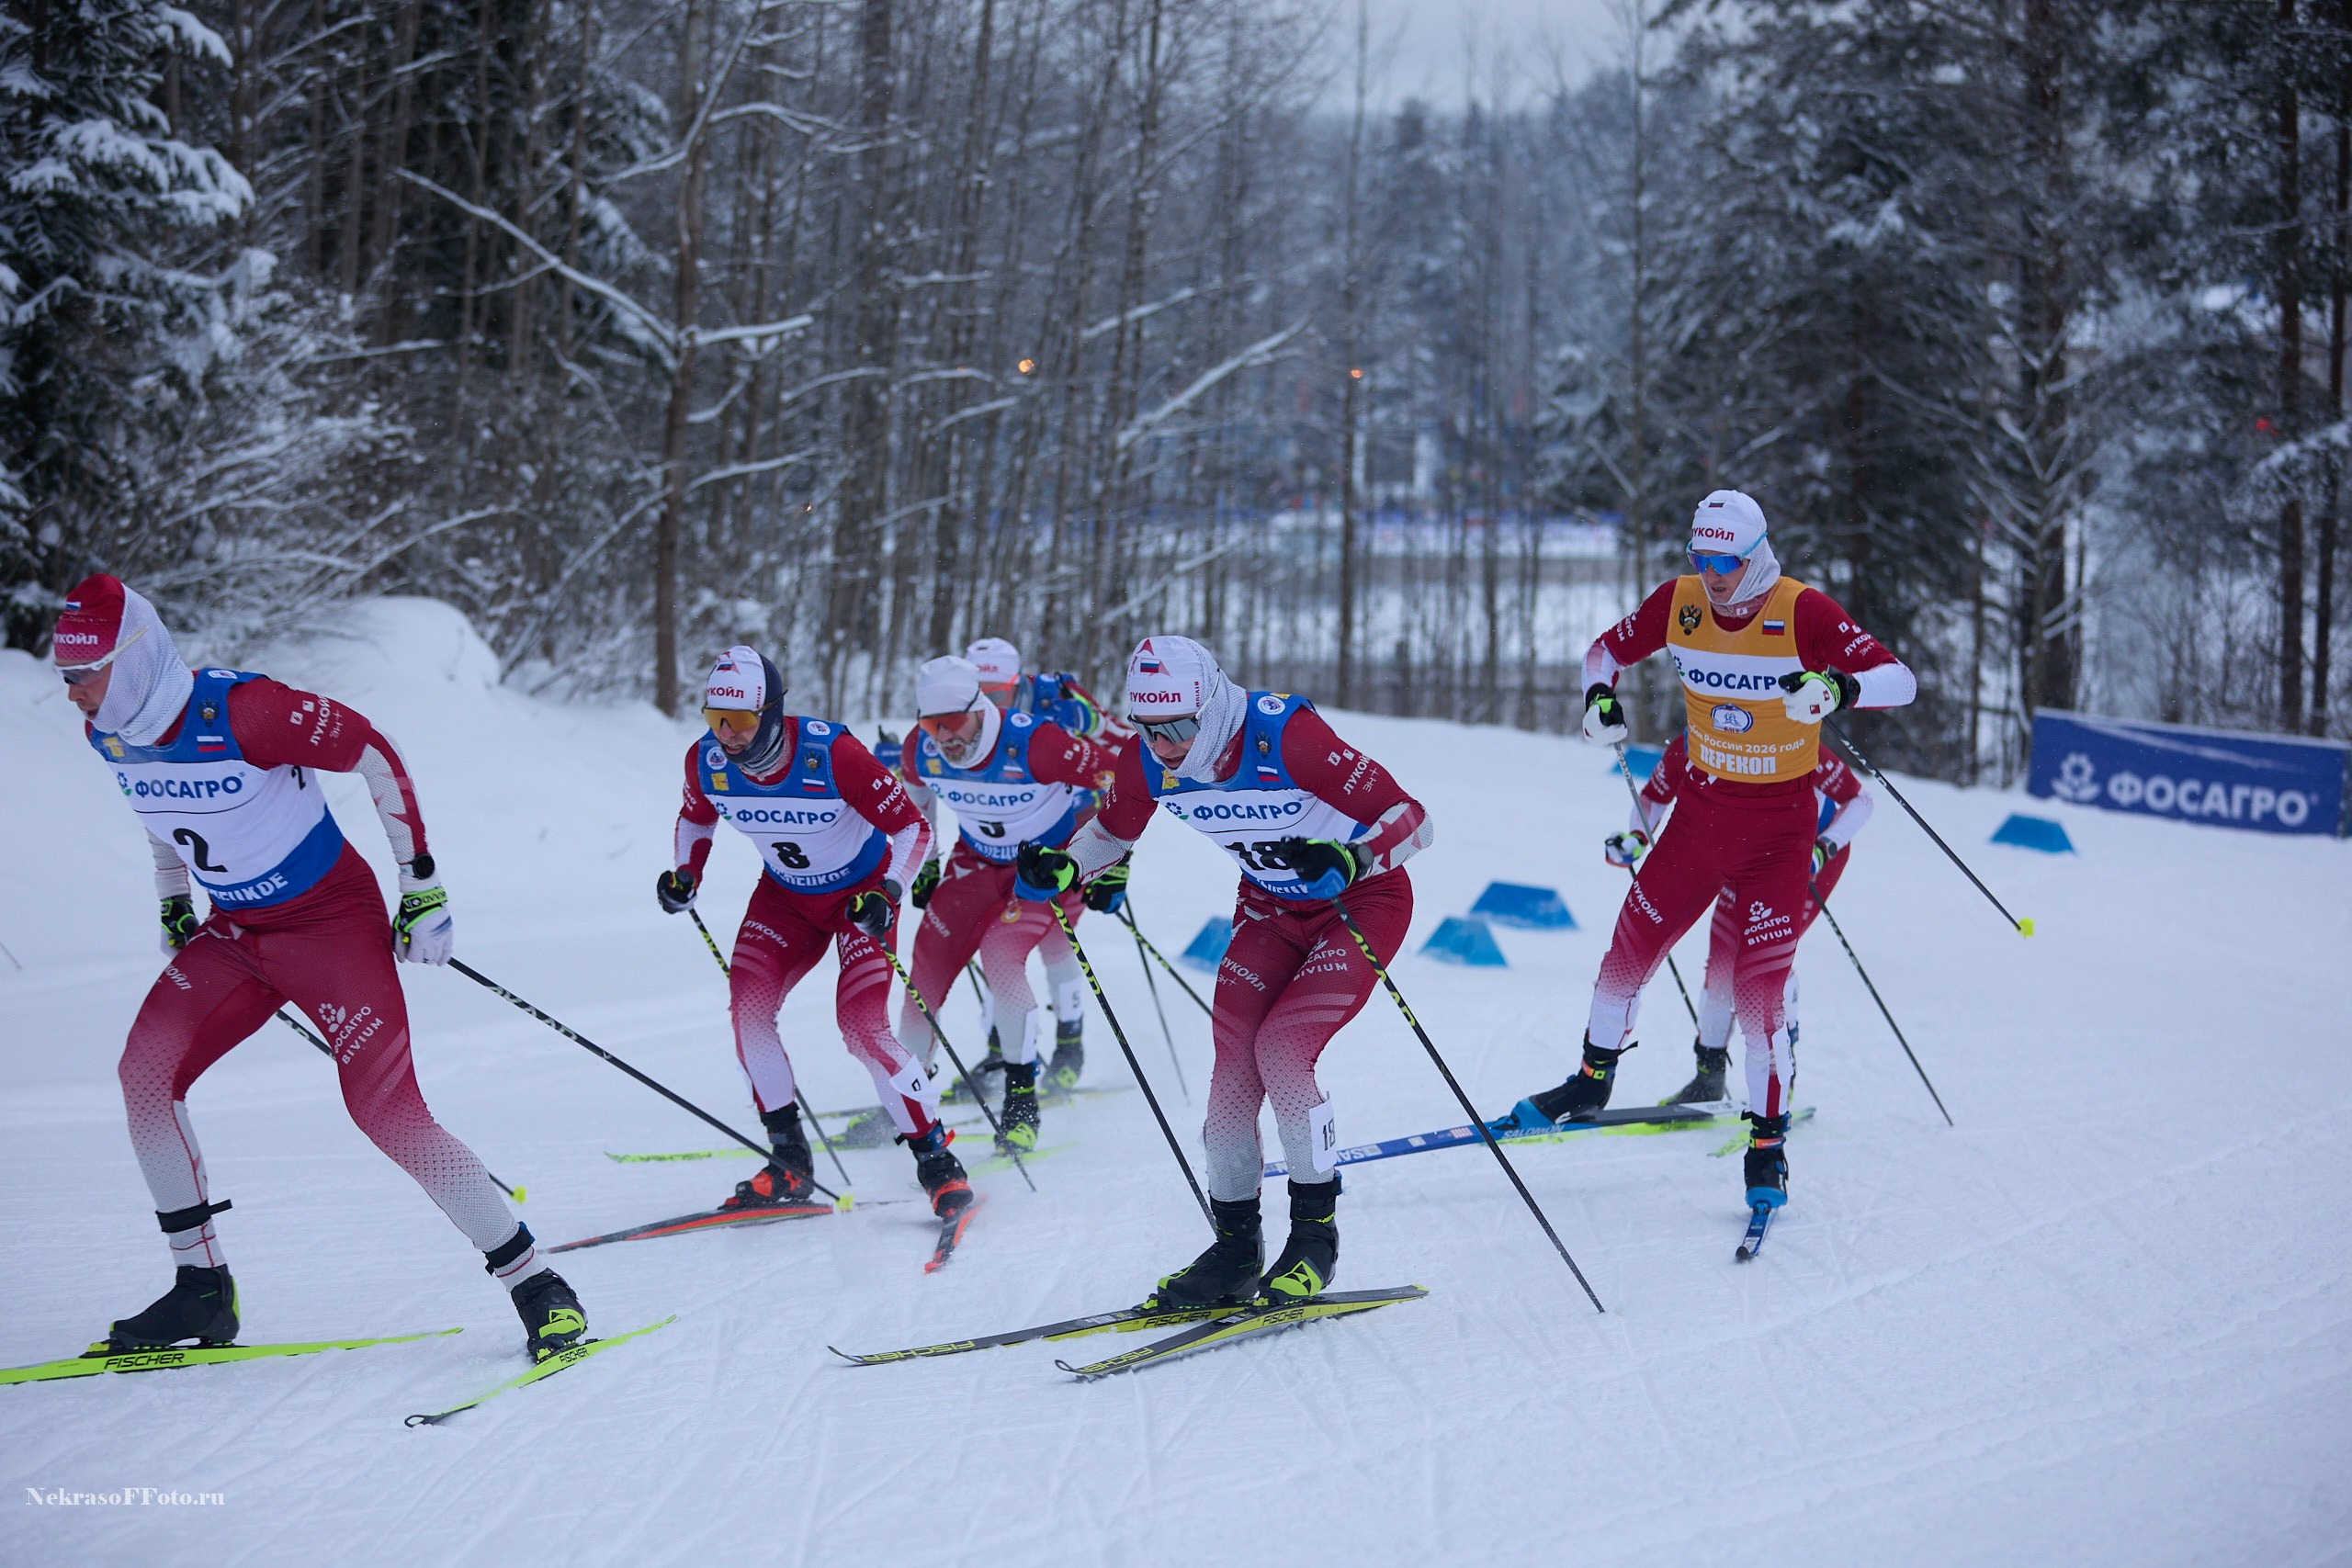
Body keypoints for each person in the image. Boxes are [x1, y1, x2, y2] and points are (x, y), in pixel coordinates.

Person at [53, 575, 586, 1359]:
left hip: (330, 928)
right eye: (65, 678)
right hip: (236, 934)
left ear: (132, 659)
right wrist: (173, 898)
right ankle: (202, 1290)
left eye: (86, 673)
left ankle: (541, 1286)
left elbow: (376, 750)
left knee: (388, 1114)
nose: (75, 695)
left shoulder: (245, 711)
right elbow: (160, 810)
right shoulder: (108, 728)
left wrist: (422, 884)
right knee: (145, 1074)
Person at [1507, 490, 1914, 1215]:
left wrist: (1837, 686)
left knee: (1758, 1004)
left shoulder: (1801, 608)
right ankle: (1590, 1080)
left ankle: (1767, 1148)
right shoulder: (1680, 602)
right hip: (1697, 819)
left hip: (1778, 835)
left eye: (1726, 560)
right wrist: (1599, 698)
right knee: (1621, 960)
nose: (1714, 574)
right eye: (1702, 557)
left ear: (1754, 553)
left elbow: (1900, 679)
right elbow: (1602, 652)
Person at [1013, 637, 1432, 1307]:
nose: (1164, 745)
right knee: (1231, 1074)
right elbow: (1114, 833)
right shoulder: (1146, 758)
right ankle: (1236, 1247)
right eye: (1149, 729)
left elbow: (1413, 818)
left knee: (1284, 1052)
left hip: (1360, 902)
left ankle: (1314, 1239)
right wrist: (1066, 864)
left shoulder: (1285, 736)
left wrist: (1354, 857)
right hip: (1268, 910)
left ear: (1210, 706)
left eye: (1178, 727)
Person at [655, 647, 971, 1229]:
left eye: (743, 722)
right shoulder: (705, 761)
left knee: (862, 1029)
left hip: (860, 899)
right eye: (715, 719)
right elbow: (697, 817)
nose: (728, 735)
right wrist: (686, 872)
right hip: (785, 900)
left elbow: (912, 828)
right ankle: (790, 1161)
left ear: (772, 713)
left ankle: (938, 1162)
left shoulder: (833, 753)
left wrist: (891, 892)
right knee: (748, 1013)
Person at [889, 656, 1118, 1153]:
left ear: (980, 708)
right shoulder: (920, 749)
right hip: (975, 864)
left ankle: (1021, 1105)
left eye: (954, 723)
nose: (944, 737)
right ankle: (908, 1099)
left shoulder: (1035, 740)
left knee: (1001, 958)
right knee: (923, 968)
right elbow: (915, 812)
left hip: (1041, 869)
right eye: (932, 725)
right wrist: (927, 866)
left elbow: (1117, 779)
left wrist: (1108, 860)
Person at [1592, 731, 1873, 1105]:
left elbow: (1860, 800)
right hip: (1738, 850)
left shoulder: (1788, 739)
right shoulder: (1692, 742)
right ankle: (1708, 1074)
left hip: (1803, 859)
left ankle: (1780, 1073)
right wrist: (1637, 838)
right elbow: (1654, 796)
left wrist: (1824, 848)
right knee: (1722, 961)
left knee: (1762, 965)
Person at [964, 636, 1132, 1090]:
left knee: (1056, 936)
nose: (988, 704)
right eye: (979, 695)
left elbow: (1126, 752)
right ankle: (1002, 1052)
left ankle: (1068, 1045)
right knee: (994, 937)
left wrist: (1091, 721)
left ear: (1018, 682)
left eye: (998, 693)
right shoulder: (962, 714)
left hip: (1071, 829)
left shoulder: (1058, 697)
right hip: (1006, 835)